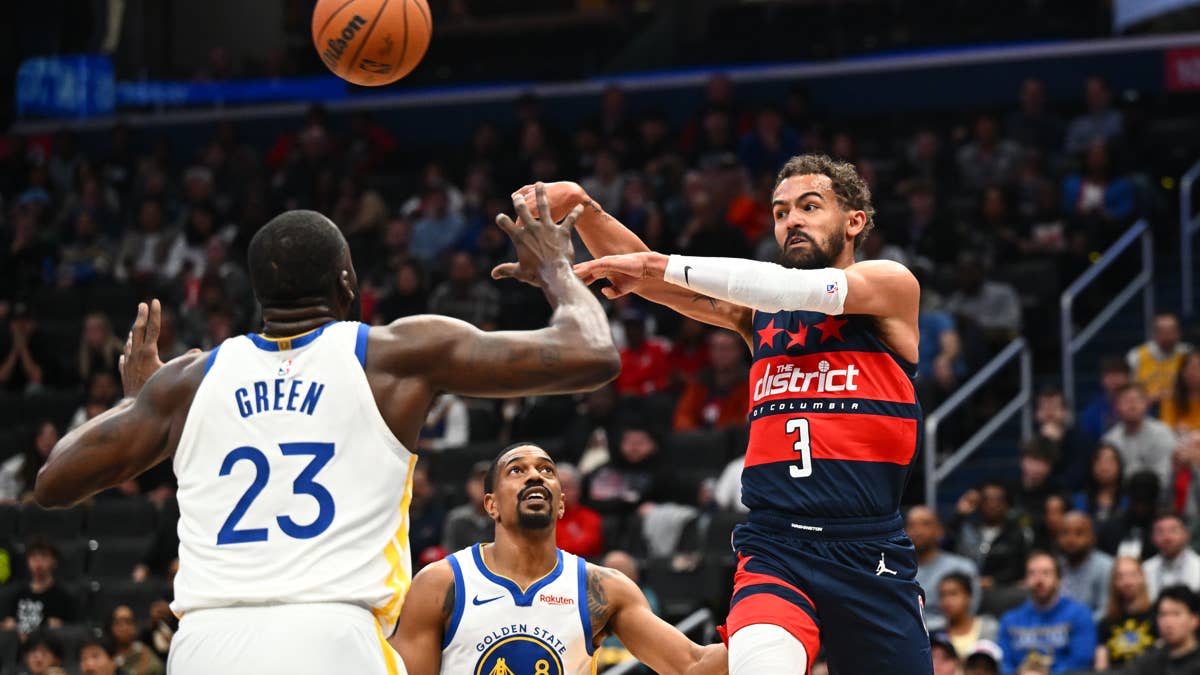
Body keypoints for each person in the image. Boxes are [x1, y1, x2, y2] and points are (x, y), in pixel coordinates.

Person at [34, 188, 621, 674]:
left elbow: (54, 481)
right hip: (332, 637)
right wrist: (554, 267)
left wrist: (138, 404)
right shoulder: (392, 356)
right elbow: (591, 353)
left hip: (205, 644)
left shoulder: (189, 382)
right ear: (346, 284)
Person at [539, 153, 930, 672]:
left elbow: (788, 286)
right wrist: (587, 211)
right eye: (780, 211)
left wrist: (656, 264)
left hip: (868, 552)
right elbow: (651, 279)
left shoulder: (890, 285)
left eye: (810, 206)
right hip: (775, 547)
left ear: (855, 220)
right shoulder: (763, 315)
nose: (792, 220)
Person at [389, 443, 727, 674]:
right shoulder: (441, 582)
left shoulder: (602, 588)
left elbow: (691, 665)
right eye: (517, 470)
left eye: (546, 470)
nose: (535, 475)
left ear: (562, 504)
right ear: (490, 505)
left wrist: (772, 630)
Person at [996, 551, 1096, 674]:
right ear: (1025, 580)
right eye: (1032, 574)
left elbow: (1082, 661)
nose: (1039, 580)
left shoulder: (1080, 615)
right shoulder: (1010, 620)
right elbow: (1003, 662)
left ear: (1059, 579)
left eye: (1046, 573)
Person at [907, 505, 980, 631]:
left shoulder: (962, 567)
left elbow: (969, 614)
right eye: (911, 525)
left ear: (939, 531)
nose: (918, 531)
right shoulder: (895, 571)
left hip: (950, 638)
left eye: (925, 524)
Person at [1102, 384, 1178, 487]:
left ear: (1147, 404)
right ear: (1117, 407)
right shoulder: (1110, 440)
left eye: (1137, 400)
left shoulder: (1162, 433)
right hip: (1121, 498)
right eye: (1126, 401)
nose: (1132, 405)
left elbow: (1165, 476)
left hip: (1157, 496)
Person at [1, 539, 78, 637]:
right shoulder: (17, 595)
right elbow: (9, 622)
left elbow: (71, 630)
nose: (38, 561)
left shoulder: (64, 597)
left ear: (54, 561)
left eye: (44, 556)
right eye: (33, 556)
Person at [1117, 584, 1200, 674]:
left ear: (1194, 620)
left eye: (1176, 614)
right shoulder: (1150, 659)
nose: (1168, 622)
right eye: (1163, 615)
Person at [1094, 556, 1157, 671]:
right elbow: (1101, 668)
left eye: (1132, 575)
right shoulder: (1105, 623)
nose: (1127, 582)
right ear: (1114, 583)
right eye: (1120, 577)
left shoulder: (1157, 617)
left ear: (1143, 578)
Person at [1057, 511, 1113, 621]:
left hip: (1093, 630)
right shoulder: (1056, 565)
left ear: (1092, 537)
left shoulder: (1105, 566)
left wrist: (1080, 626)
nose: (1071, 539)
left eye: (1079, 533)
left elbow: (1106, 610)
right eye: (1065, 533)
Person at [1127, 312, 1194, 405]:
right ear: (1154, 333)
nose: (1167, 336)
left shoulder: (1188, 353)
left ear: (1179, 333)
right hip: (1147, 409)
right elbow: (1129, 390)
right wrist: (1149, 398)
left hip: (1181, 408)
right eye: (1162, 332)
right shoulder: (1136, 355)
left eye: (1171, 331)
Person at [938, 572, 998, 658]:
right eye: (942, 595)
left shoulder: (989, 628)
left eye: (953, 594)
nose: (947, 601)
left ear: (968, 597)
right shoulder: (935, 633)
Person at [1141, 512, 1200, 600]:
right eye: (1160, 532)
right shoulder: (1145, 569)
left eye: (1173, 530)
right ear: (1152, 538)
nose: (1167, 537)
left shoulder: (1198, 566)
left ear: (1186, 535)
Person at [555, 463, 604, 559]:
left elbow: (588, 547)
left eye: (567, 486)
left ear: (578, 490)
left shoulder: (590, 517)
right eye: (558, 486)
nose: (562, 492)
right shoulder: (542, 518)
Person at [107, 604, 164, 675]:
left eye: (128, 622)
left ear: (135, 626)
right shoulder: (104, 656)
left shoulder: (146, 656)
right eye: (118, 622)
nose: (124, 627)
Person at [1161, 351, 1200, 433]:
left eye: (1198, 368)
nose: (1194, 373)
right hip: (1179, 442)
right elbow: (1166, 429)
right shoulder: (1170, 398)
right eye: (1191, 368)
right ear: (1182, 372)